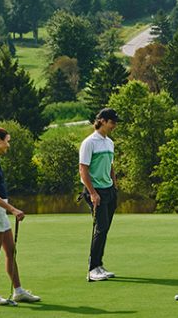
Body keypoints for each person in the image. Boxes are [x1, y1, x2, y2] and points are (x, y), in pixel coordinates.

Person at [0, 127, 41, 305]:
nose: (8, 144)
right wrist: (13, 209)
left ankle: (18, 291)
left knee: (10, 251)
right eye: (7, 140)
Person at [80, 107, 120, 282]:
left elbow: (110, 165)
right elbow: (83, 170)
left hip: (109, 190)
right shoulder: (89, 142)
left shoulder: (109, 142)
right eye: (112, 122)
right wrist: (93, 193)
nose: (114, 126)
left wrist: (114, 184)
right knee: (101, 227)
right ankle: (92, 268)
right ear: (102, 121)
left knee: (105, 229)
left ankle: (99, 264)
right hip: (95, 191)